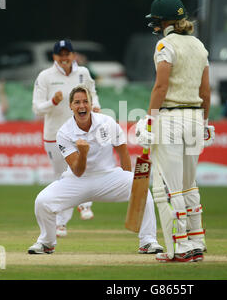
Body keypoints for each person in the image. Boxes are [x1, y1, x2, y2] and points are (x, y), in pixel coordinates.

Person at [28, 86, 163, 255]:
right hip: (77, 180)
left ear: (92, 104)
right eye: (77, 102)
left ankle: (148, 241)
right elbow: (77, 171)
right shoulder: (64, 132)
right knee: (42, 201)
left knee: (141, 189)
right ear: (70, 106)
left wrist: (131, 181)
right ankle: (47, 242)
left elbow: (123, 152)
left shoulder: (107, 122)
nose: (82, 106)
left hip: (108, 177)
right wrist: (83, 153)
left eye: (85, 101)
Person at [135, 0, 215, 263]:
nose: (155, 25)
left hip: (171, 118)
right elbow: (205, 90)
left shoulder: (164, 45)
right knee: (189, 184)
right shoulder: (199, 46)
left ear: (164, 21)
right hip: (194, 118)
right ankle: (197, 240)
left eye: (156, 21)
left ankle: (179, 247)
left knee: (169, 187)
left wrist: (149, 121)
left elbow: (161, 87)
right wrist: (204, 122)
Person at [32, 39, 100, 238]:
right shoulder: (45, 76)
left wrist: (95, 107)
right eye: (60, 55)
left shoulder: (83, 73)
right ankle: (61, 223)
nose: (64, 58)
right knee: (62, 177)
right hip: (54, 135)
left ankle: (83, 206)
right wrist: (52, 102)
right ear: (54, 57)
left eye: (67, 54)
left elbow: (93, 95)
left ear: (73, 55)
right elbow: (36, 108)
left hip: (80, 131)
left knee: (84, 168)